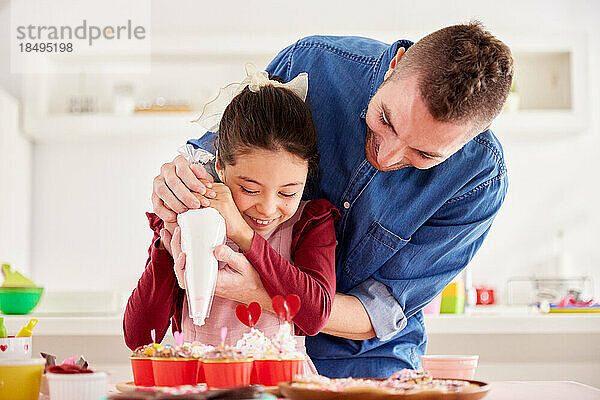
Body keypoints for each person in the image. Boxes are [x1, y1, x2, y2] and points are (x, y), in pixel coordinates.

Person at [151, 22, 514, 378]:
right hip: (259, 352)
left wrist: (264, 292)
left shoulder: (479, 182)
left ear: (475, 133)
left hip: (371, 364)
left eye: (423, 154)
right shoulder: (313, 65)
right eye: (385, 119)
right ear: (396, 64)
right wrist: (181, 183)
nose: (386, 156)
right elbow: (217, 158)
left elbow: (379, 311)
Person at [123, 67, 340, 371]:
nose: (267, 208)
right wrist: (167, 243)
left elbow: (314, 315)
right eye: (250, 189)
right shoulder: (194, 221)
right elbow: (139, 338)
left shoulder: (310, 222)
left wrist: (244, 236)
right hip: (200, 385)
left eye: (287, 193)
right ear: (221, 169)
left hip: (279, 390)